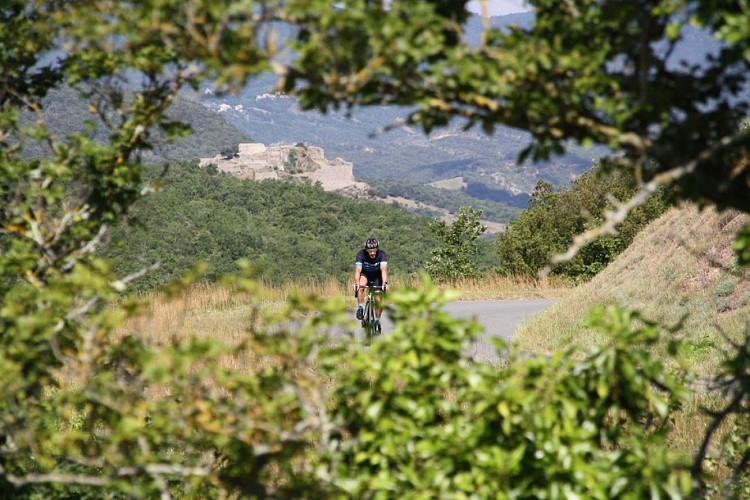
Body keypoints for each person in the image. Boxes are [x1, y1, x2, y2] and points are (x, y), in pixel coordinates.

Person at [353, 237, 388, 327]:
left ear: (377, 249)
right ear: (366, 250)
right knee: (361, 286)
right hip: (365, 275)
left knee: (378, 300)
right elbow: (358, 270)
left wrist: (384, 283)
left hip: (377, 276)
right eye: (370, 251)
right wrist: (356, 282)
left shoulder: (382, 254)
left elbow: (383, 270)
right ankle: (360, 308)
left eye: (374, 250)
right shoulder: (361, 254)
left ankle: (377, 320)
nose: (372, 253)